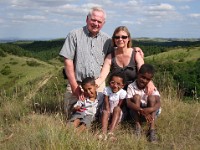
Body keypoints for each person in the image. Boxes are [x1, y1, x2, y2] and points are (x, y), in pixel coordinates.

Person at [59, 7, 112, 118]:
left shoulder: (107, 40)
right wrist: (74, 86)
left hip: (98, 84)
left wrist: (136, 49)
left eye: (99, 21)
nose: (96, 23)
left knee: (96, 116)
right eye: (93, 20)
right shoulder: (74, 35)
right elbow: (67, 61)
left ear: (103, 23)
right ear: (87, 19)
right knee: (70, 114)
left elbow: (111, 60)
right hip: (77, 83)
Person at [95, 26, 154, 92]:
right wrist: (92, 86)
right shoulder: (110, 57)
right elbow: (102, 77)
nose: (120, 39)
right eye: (117, 37)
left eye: (124, 37)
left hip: (134, 91)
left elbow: (143, 72)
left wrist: (150, 83)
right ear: (114, 39)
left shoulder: (136, 54)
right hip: (117, 92)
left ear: (128, 38)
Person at [126, 64, 161, 143]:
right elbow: (128, 102)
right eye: (143, 77)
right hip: (137, 112)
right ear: (138, 74)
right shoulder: (131, 86)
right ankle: (138, 126)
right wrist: (140, 109)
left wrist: (150, 109)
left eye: (147, 79)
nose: (144, 80)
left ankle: (152, 129)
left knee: (152, 98)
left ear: (150, 80)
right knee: (136, 97)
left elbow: (158, 103)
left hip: (151, 114)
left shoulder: (151, 87)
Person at [98, 72, 127, 141]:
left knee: (117, 108)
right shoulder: (107, 89)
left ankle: (111, 132)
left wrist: (112, 113)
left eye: (118, 84)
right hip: (107, 111)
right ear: (109, 83)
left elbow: (120, 106)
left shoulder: (123, 93)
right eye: (112, 82)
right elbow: (106, 103)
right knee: (105, 111)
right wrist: (108, 111)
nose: (115, 85)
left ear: (123, 85)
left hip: (116, 114)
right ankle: (103, 133)